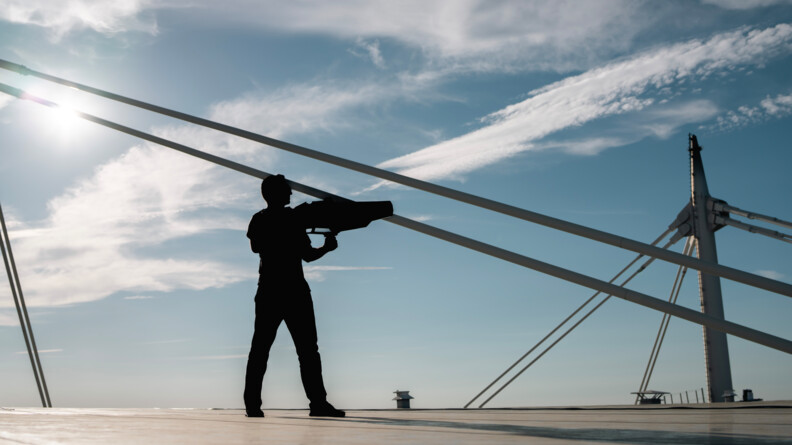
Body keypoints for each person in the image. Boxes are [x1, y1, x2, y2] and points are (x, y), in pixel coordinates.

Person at [244, 174, 345, 418]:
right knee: (308, 351)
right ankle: (318, 404)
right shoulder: (293, 219)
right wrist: (326, 248)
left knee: (260, 349)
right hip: (294, 291)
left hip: (268, 289)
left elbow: (256, 246)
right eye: (287, 191)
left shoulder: (258, 220)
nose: (291, 195)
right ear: (279, 194)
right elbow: (308, 255)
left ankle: (252, 406)